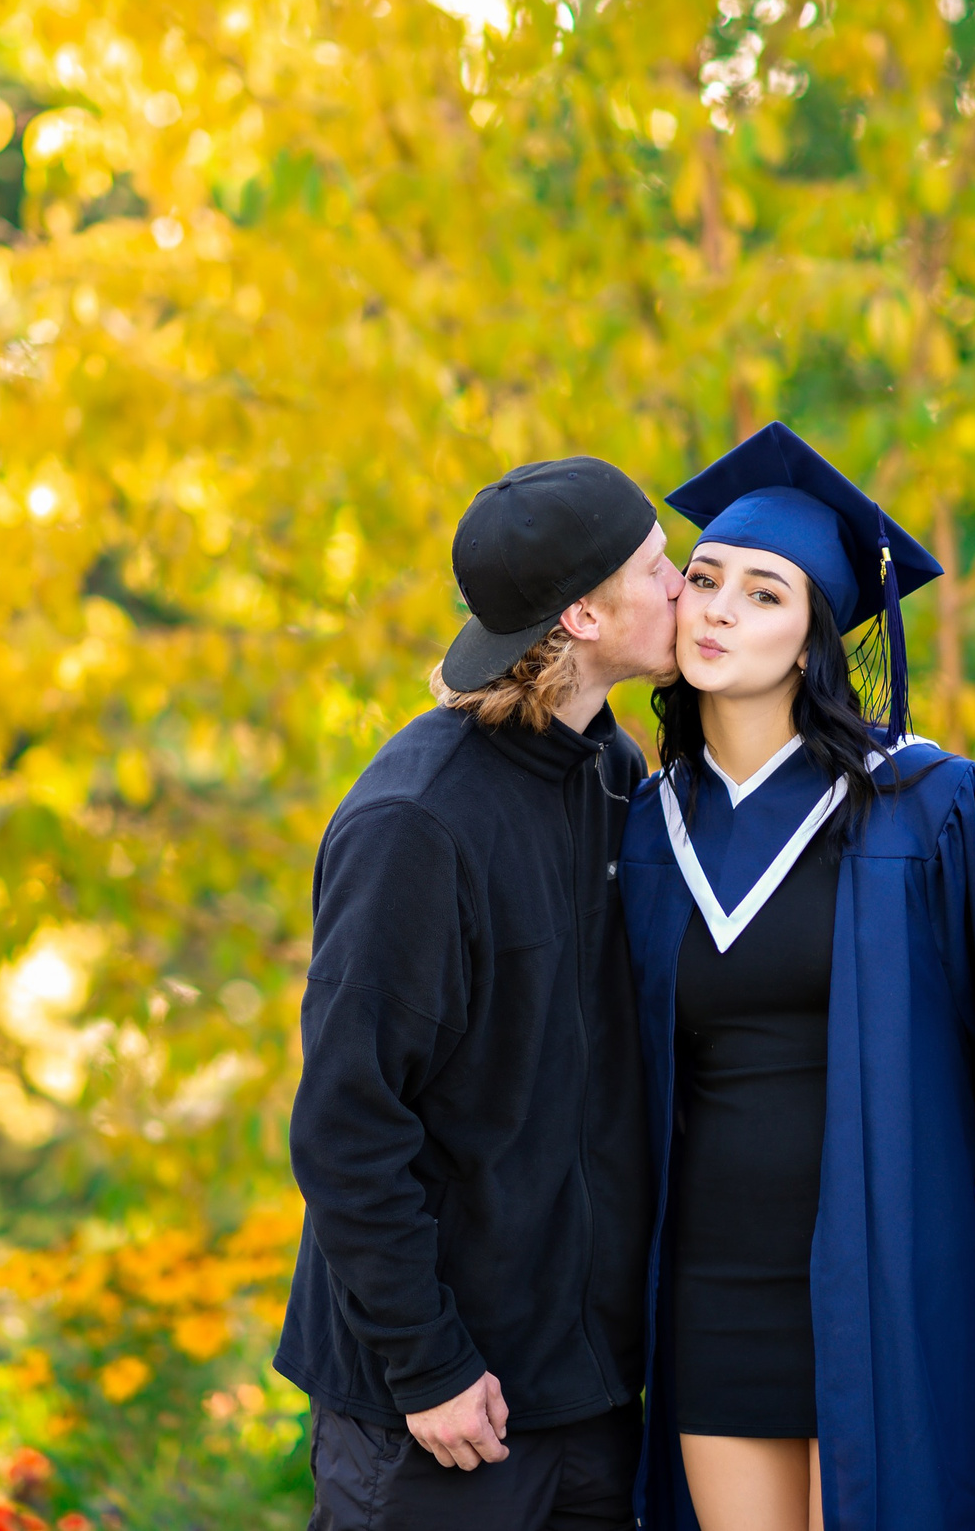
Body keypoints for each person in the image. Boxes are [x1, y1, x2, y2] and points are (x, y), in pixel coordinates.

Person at [618, 422, 975, 1531]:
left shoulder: (927, 806)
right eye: (704, 580)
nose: (718, 610)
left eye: (765, 594)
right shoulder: (642, 825)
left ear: (814, 640)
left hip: (889, 1267)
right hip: (714, 1277)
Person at [275, 456, 686, 1531]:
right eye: (659, 567)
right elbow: (346, 1125)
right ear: (583, 615)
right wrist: (429, 1363)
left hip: (587, 1396)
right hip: (444, 1412)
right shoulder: (415, 823)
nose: (684, 584)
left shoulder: (611, 774)